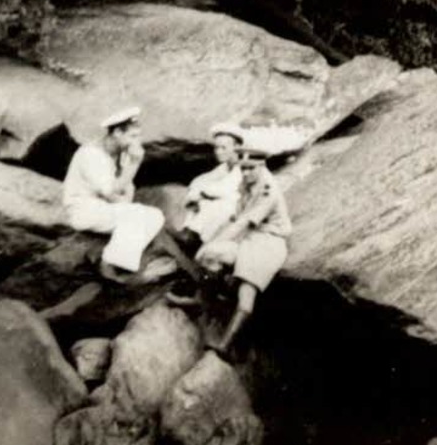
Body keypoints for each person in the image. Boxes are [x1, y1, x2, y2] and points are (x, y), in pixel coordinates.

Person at [60, 107, 188, 283]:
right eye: (132, 136)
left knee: (154, 215)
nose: (137, 142)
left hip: (106, 208)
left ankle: (120, 263)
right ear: (117, 133)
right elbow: (110, 191)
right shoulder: (90, 154)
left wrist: (127, 171)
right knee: (136, 215)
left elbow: (126, 195)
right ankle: (110, 266)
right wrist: (134, 165)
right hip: (83, 210)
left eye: (138, 136)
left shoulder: (121, 155)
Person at [194, 144, 291, 353]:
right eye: (243, 168)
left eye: (251, 168)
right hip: (249, 237)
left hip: (268, 240)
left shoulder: (268, 190)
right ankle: (204, 303)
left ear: (261, 165)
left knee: (247, 290)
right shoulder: (246, 184)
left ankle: (225, 345)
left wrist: (211, 244)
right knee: (211, 257)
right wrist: (209, 245)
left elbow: (244, 223)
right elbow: (235, 218)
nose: (246, 173)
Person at [177, 123, 246, 255]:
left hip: (240, 210)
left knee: (218, 205)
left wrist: (203, 193)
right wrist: (198, 193)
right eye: (217, 147)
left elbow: (227, 189)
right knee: (199, 202)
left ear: (237, 147)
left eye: (224, 147)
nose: (219, 151)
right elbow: (199, 181)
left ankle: (196, 239)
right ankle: (189, 233)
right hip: (226, 204)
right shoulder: (224, 167)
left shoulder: (244, 166)